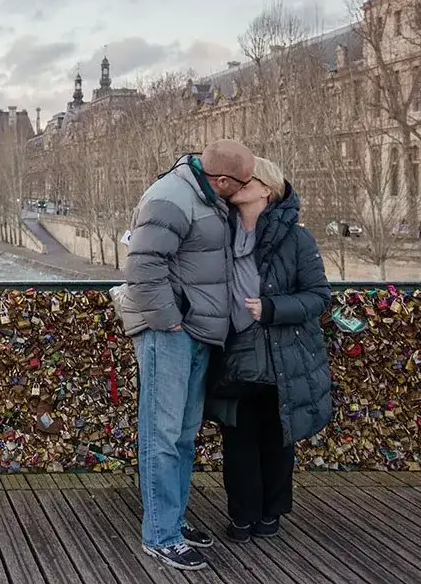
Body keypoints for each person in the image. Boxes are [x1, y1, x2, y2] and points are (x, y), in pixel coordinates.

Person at [120, 139, 256, 571]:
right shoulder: (171, 197)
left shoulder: (202, 196)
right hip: (171, 334)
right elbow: (142, 266)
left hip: (194, 331)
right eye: (240, 184)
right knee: (162, 435)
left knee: (181, 435)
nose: (243, 190)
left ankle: (172, 522)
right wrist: (169, 320)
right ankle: (160, 535)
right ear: (221, 180)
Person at [204, 157, 331, 542]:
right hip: (235, 356)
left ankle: (271, 514)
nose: (238, 183)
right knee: (238, 441)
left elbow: (318, 296)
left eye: (248, 178)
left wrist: (273, 309)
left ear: (267, 189)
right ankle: (242, 516)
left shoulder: (297, 238)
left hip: (281, 354)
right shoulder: (217, 231)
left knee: (277, 441)